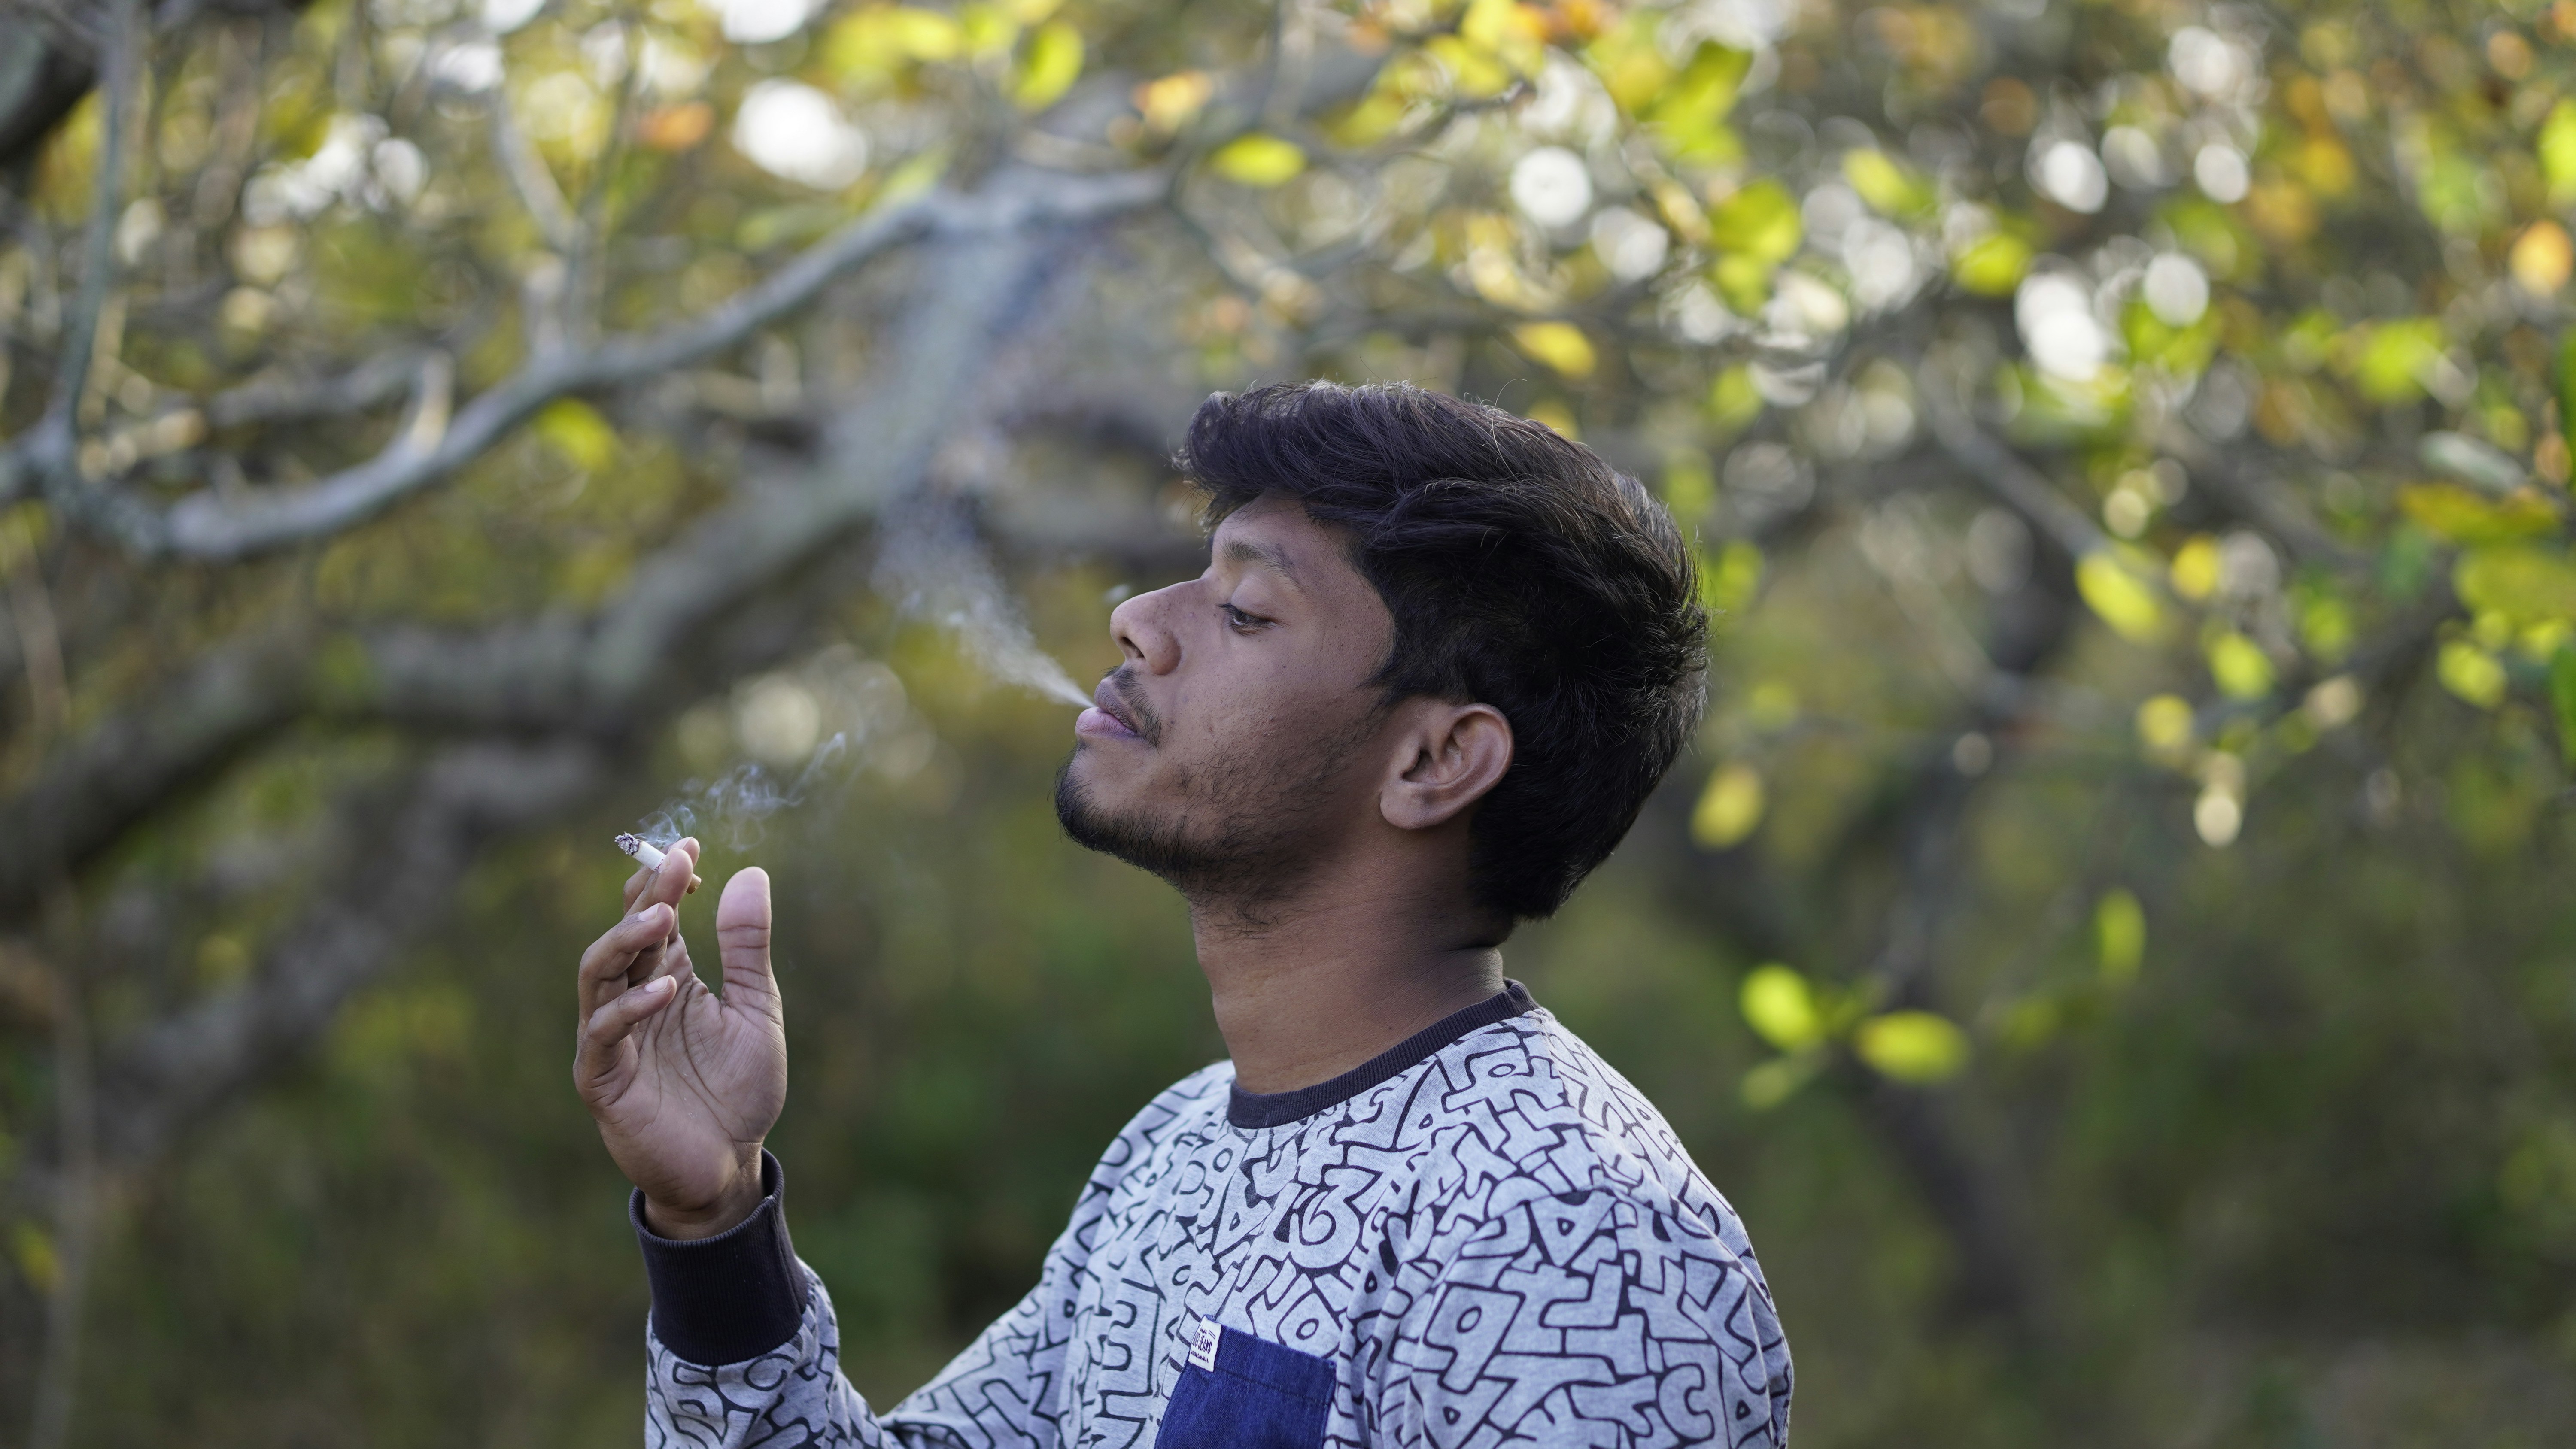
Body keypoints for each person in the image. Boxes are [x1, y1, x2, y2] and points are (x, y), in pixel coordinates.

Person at [573, 381, 1794, 1448]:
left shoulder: (1575, 1236)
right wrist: (717, 1218)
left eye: (1248, 611)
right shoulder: (1177, 1150)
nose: (1138, 621)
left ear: (1434, 762)